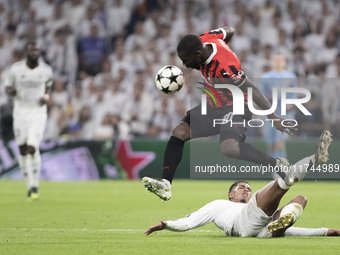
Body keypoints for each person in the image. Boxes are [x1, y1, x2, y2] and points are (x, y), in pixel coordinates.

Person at [142, 26, 298, 201]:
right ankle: (165, 184)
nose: (184, 65)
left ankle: (276, 164)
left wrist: (273, 118)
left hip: (237, 106)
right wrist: (225, 42)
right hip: (213, 104)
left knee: (228, 148)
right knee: (179, 132)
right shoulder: (206, 38)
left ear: (198, 54)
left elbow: (252, 89)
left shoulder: (225, 68)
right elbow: (230, 30)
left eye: (186, 60)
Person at [145, 131, 338, 238]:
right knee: (283, 182)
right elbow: (191, 221)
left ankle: (280, 224)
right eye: (241, 188)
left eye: (248, 188)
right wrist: (167, 225)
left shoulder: (254, 207)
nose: (246, 189)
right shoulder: (220, 204)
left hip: (265, 229)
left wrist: (329, 232)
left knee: (300, 199)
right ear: (231, 195)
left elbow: (295, 231)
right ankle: (314, 159)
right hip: (243, 223)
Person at [5, 41, 53, 201]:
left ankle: (35, 186)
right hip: (20, 114)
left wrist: (46, 97)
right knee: (23, 150)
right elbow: (7, 87)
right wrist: (12, 91)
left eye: (37, 50)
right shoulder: (16, 69)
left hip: (38, 113)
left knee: (33, 147)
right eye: (32, 50)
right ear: (26, 51)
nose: (35, 52)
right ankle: (29, 185)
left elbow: (48, 85)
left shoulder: (46, 70)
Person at [260, 55, 297, 161]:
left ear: (285, 63)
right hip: (269, 115)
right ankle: (273, 167)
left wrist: (290, 104)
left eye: (281, 60)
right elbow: (261, 96)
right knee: (270, 143)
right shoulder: (265, 77)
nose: (278, 62)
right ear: (272, 62)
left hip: (285, 113)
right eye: (276, 60)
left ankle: (282, 167)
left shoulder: (291, 77)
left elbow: (294, 94)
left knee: (280, 141)